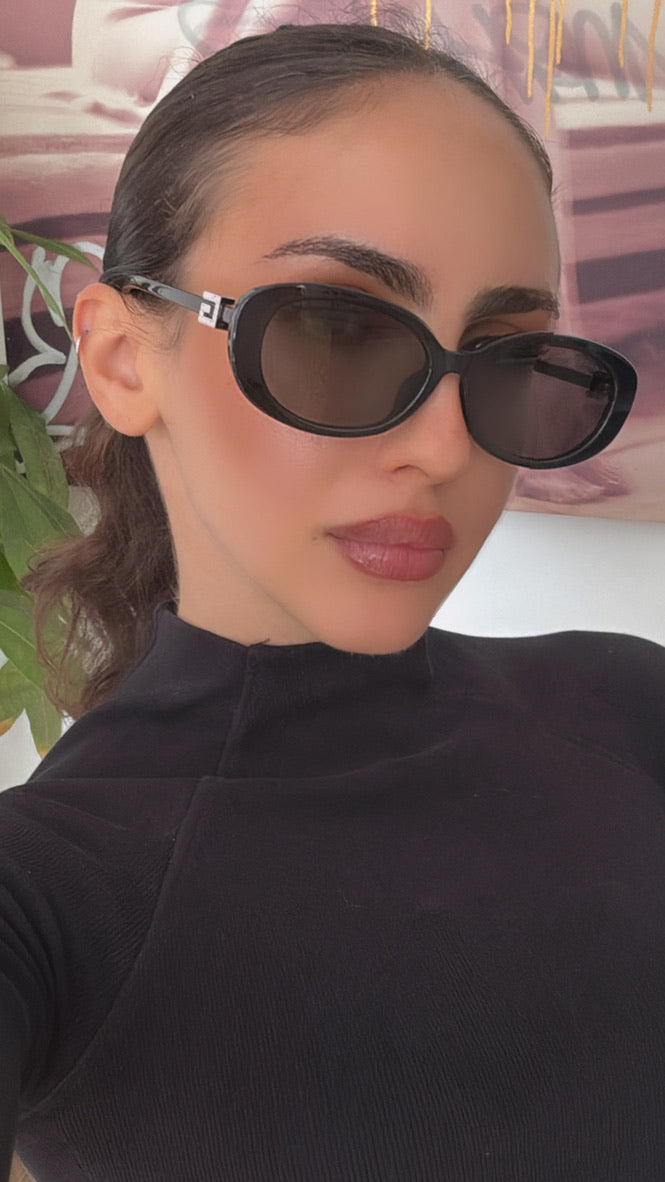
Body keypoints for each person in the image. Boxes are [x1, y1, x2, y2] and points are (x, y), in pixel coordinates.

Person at [2, 18, 664, 1182]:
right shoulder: (50, 895)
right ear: (120, 359)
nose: (445, 447)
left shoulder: (626, 698)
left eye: (503, 355)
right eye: (334, 328)